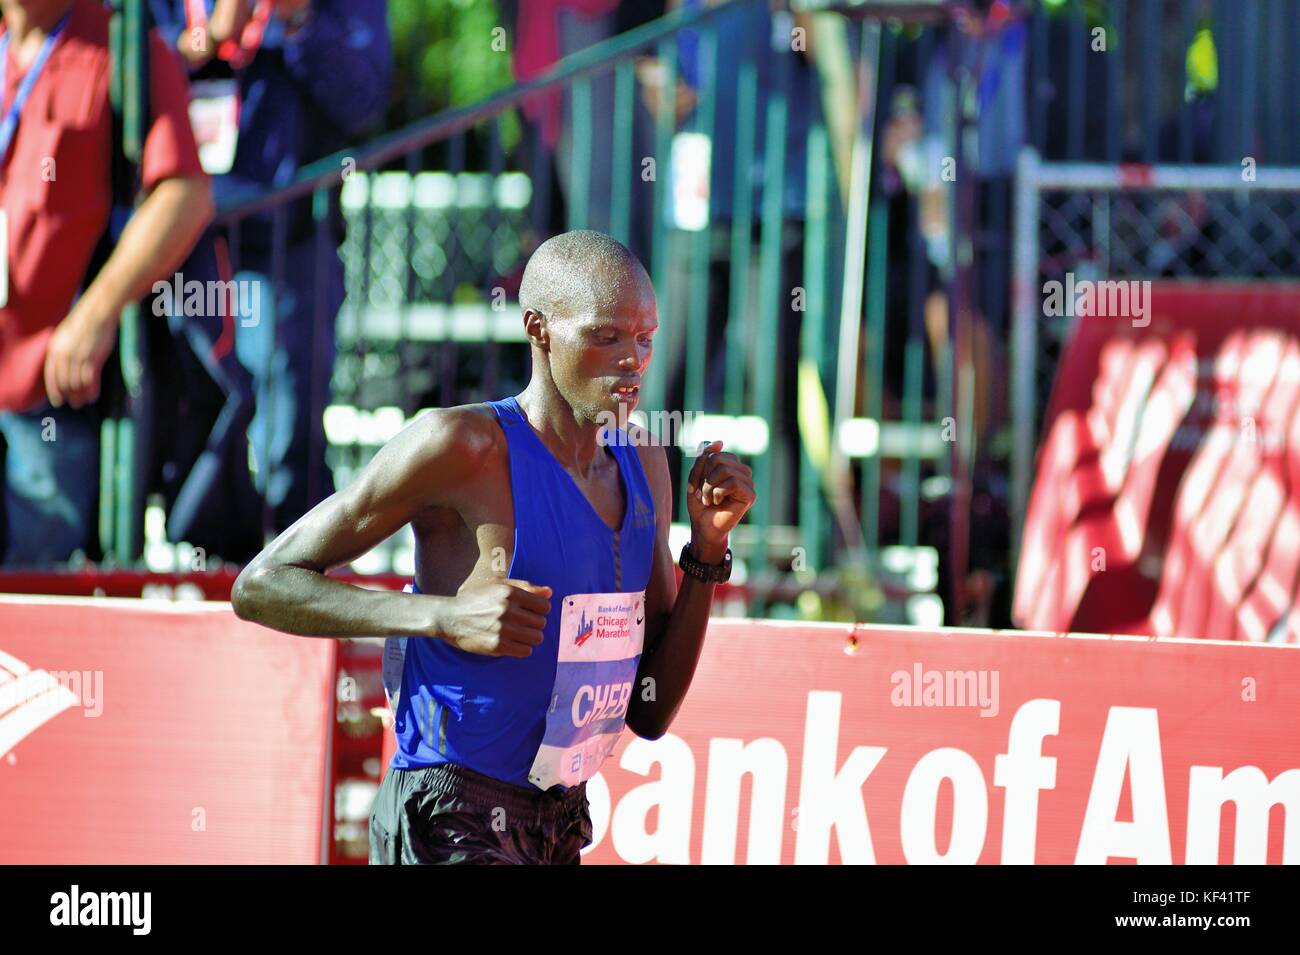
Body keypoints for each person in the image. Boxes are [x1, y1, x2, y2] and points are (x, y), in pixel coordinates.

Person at [232, 230, 756, 865]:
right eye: (606, 336)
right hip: (451, 814)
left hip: (559, 819)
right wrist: (442, 617)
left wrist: (705, 550)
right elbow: (262, 584)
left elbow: (650, 711)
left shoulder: (644, 462)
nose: (633, 360)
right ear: (539, 328)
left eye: (645, 338)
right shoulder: (461, 446)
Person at [150, 0, 392, 535]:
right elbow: (112, 71)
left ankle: (295, 576)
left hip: (288, 238)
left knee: (290, 431)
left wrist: (297, 20)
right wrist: (205, 42)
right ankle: (200, 556)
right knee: (195, 409)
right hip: (171, 237)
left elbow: (364, 101)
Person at [0, 0, 212, 565]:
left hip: (43, 388)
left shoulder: (123, 44)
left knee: (32, 609)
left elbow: (184, 194)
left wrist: (94, 315)